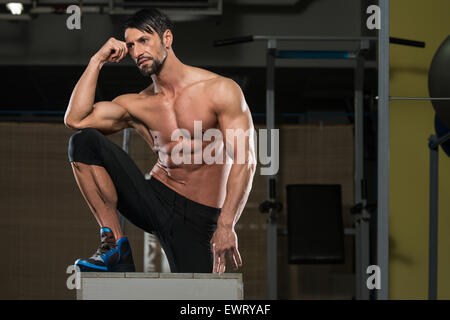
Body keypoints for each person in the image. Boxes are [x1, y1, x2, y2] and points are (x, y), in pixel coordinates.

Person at [64, 8, 256, 274]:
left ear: (167, 39)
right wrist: (97, 60)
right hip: (157, 199)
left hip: (200, 220)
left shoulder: (220, 90)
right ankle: (115, 246)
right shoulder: (137, 104)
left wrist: (226, 225)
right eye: (130, 45)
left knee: (201, 299)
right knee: (83, 142)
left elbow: (245, 160)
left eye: (144, 40)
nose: (136, 51)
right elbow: (76, 119)